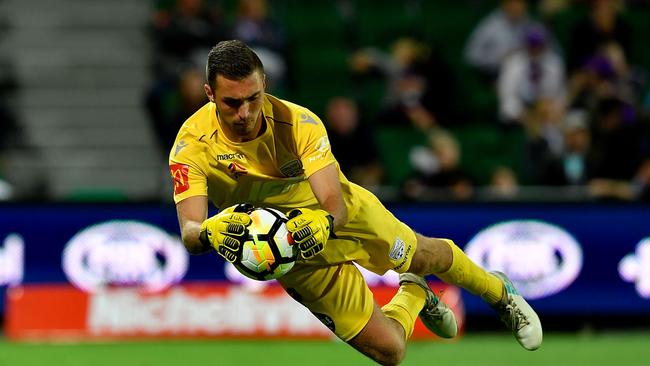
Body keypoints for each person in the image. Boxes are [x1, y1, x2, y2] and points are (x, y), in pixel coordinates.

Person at [169, 40, 543, 365]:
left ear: (265, 84)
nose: (245, 113)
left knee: (425, 254)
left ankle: (500, 294)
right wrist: (211, 234)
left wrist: (324, 222)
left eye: (253, 98)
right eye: (232, 103)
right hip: (289, 256)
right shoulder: (191, 147)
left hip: (339, 218)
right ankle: (414, 290)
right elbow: (189, 230)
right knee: (391, 352)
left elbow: (335, 202)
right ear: (209, 94)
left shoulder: (299, 123)